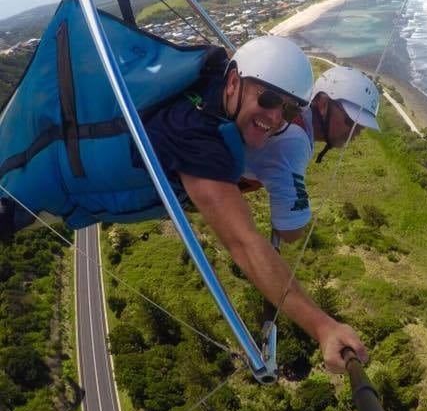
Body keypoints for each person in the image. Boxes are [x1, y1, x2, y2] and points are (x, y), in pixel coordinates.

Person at [0, 34, 367, 373]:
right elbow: (246, 245)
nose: (273, 118)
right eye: (268, 100)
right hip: (26, 193)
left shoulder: (211, 77)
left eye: (287, 111)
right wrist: (323, 326)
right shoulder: (200, 139)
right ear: (235, 82)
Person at [240, 65, 381, 243]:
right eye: (351, 121)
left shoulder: (296, 114)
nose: (356, 131)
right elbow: (291, 232)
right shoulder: (295, 139)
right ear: (322, 104)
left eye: (361, 127)